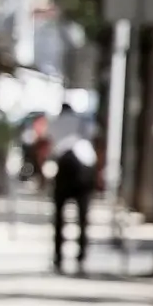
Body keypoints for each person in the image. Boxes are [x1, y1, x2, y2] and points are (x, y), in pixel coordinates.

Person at [47, 100, 98, 273]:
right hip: (84, 168)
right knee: (83, 216)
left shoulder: (55, 124)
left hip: (63, 167)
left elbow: (50, 145)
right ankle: (81, 254)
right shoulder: (82, 123)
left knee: (59, 217)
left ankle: (58, 256)